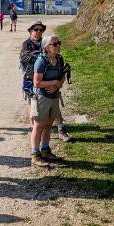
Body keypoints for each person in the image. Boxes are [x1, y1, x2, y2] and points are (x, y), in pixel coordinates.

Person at [20, 21, 71, 142]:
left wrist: (56, 83)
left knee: (55, 107)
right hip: (30, 80)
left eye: (40, 30)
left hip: (46, 80)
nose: (38, 32)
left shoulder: (47, 42)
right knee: (34, 108)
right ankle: (36, 132)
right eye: (35, 29)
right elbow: (26, 61)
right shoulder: (26, 44)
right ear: (30, 30)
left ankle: (60, 130)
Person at [29, 34, 66, 167]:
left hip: (53, 96)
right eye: (54, 44)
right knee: (38, 125)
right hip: (42, 97)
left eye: (58, 43)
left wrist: (58, 83)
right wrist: (53, 83)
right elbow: (36, 82)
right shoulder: (41, 61)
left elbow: (63, 75)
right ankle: (35, 154)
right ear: (46, 47)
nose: (58, 46)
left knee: (49, 124)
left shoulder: (59, 59)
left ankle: (45, 150)